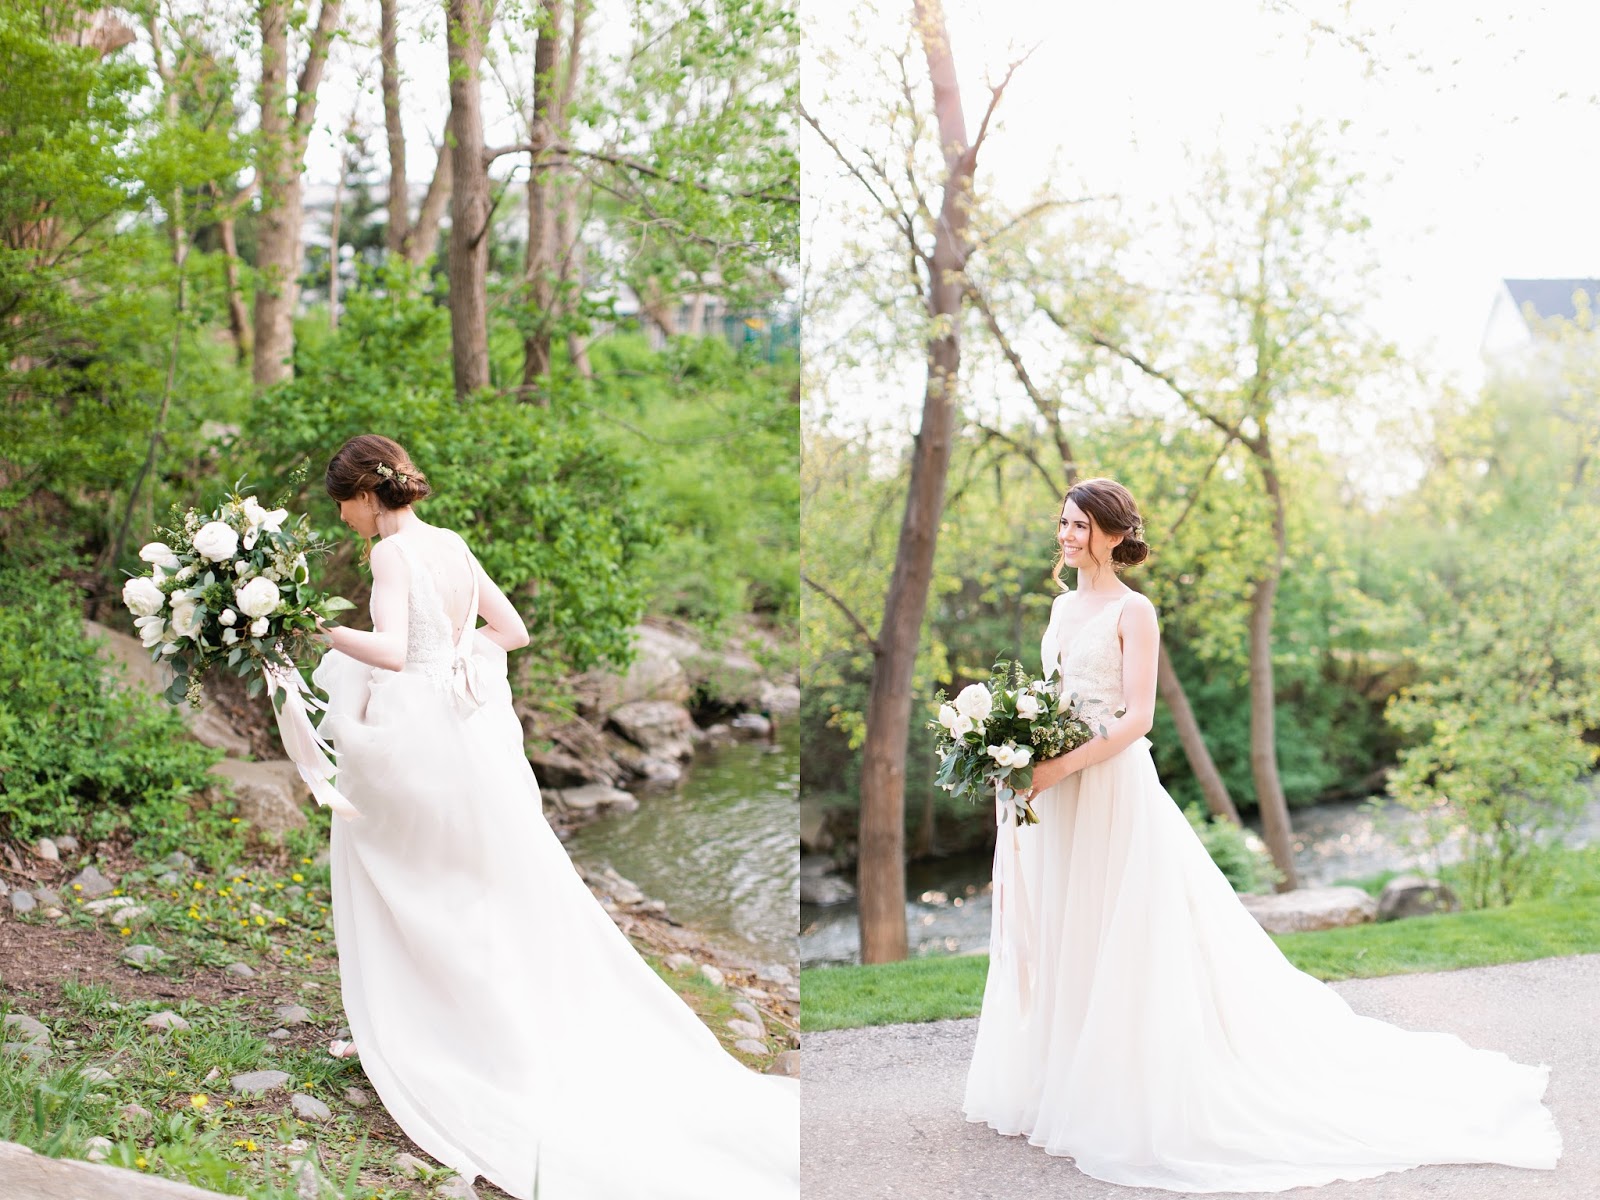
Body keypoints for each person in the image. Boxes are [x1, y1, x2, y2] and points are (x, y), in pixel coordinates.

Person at [962, 476, 1561, 1193]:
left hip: (1110, 787)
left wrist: (1061, 765)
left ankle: (1125, 1085)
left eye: (1082, 526)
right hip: (1055, 792)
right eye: (1063, 522)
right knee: (1070, 924)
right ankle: (1063, 1077)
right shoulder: (1061, 609)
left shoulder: (1135, 610)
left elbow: (1137, 720)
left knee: (1122, 927)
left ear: (1115, 535)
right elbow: (1056, 696)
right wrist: (1020, 751)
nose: (1068, 535)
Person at [309, 434, 799, 1200]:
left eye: (341, 502)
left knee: (412, 876)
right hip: (471, 736)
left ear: (365, 495)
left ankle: (431, 1034)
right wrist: (460, 663)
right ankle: (467, 1026)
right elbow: (511, 633)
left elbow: (397, 652)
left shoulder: (392, 553)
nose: (342, 518)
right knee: (481, 886)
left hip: (417, 740)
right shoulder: (454, 544)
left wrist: (316, 630)